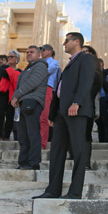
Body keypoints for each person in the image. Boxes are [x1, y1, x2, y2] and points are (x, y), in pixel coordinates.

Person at [33, 32, 95, 199]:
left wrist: (78, 102)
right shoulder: (69, 63)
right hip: (61, 112)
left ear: (76, 42)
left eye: (66, 41)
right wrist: (53, 113)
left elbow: (86, 82)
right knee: (57, 151)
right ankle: (52, 190)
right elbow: (60, 89)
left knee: (78, 151)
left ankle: (75, 192)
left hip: (76, 109)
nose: (63, 44)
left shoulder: (86, 59)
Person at [10, 46, 49, 170]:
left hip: (33, 102)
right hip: (23, 103)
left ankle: (34, 162)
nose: (28, 54)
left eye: (31, 52)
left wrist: (16, 95)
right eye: (27, 52)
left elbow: (33, 82)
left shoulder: (41, 66)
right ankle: (23, 161)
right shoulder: (28, 68)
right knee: (23, 135)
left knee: (32, 133)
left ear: (39, 55)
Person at [82, 45, 103, 170]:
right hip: (80, 106)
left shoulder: (94, 73)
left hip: (87, 106)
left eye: (85, 52)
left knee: (85, 135)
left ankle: (85, 162)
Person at [0, 50, 22, 140]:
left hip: (13, 95)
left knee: (10, 116)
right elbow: (5, 74)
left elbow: (18, 80)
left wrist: (12, 74)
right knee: (0, 114)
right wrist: (14, 74)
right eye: (8, 57)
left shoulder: (20, 71)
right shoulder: (3, 68)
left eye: (11, 57)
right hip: (2, 94)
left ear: (17, 59)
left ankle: (6, 136)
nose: (9, 58)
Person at [40, 45, 60, 149]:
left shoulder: (54, 62)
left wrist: (37, 71)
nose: (41, 52)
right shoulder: (39, 62)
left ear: (49, 51)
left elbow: (46, 71)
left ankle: (43, 142)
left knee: (45, 117)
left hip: (48, 89)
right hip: (38, 89)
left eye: (43, 50)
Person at [96, 58, 108, 143]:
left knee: (105, 120)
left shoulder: (107, 72)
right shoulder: (93, 74)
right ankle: (101, 139)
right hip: (96, 99)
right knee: (98, 121)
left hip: (104, 98)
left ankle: (107, 140)